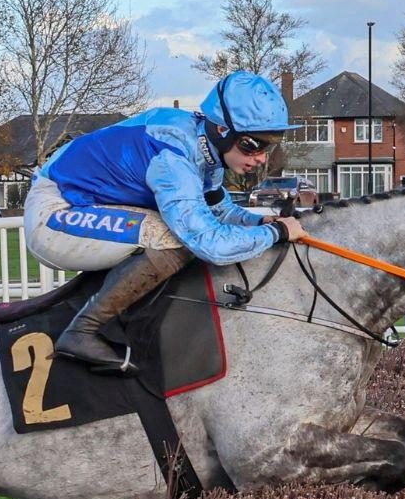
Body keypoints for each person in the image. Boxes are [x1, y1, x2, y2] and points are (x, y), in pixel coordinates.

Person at [23, 71, 311, 374]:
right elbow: (208, 243)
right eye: (252, 145)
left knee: (175, 231)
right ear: (222, 129)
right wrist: (276, 232)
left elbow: (220, 210)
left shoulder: (205, 146)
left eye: (270, 146)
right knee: (173, 238)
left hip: (86, 200)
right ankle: (82, 331)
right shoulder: (173, 160)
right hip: (55, 212)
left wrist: (259, 220)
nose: (262, 158)